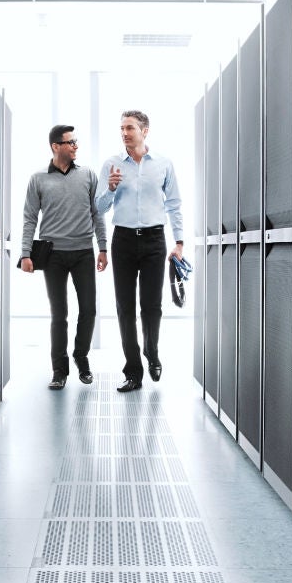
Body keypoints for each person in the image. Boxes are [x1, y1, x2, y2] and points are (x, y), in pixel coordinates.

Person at [96, 109, 185, 393]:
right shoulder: (111, 164)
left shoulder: (163, 164)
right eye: (122, 128)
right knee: (125, 308)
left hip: (154, 241)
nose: (124, 133)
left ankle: (152, 351)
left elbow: (174, 204)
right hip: (122, 240)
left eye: (130, 128)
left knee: (152, 305)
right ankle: (133, 371)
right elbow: (99, 207)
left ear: (144, 131)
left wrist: (179, 242)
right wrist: (110, 189)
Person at [20, 124, 108, 389]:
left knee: (89, 310)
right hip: (53, 255)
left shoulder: (88, 175)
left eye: (76, 141)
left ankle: (81, 356)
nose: (75, 146)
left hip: (83, 253)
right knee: (59, 315)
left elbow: (97, 214)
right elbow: (29, 218)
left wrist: (103, 248)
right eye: (70, 142)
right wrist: (25, 254)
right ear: (55, 146)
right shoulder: (38, 179)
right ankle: (59, 370)